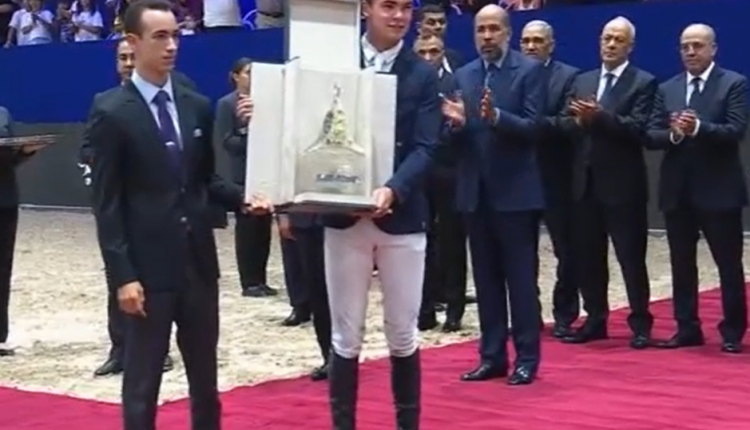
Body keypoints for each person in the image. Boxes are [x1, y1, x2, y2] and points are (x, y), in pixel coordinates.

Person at [241, 0, 439, 426]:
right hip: (342, 217)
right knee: (345, 335)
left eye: (406, 8)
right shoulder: (333, 61)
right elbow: (298, 118)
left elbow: (427, 147)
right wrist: (260, 113)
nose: (399, 16)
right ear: (367, 8)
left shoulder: (423, 74)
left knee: (403, 332)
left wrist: (394, 189)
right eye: (389, 6)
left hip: (402, 219)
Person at [88, 1, 247, 428]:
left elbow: (205, 180)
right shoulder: (111, 111)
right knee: (142, 384)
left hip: (198, 266)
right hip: (146, 272)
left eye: (176, 35)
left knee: (205, 381)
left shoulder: (196, 104)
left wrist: (247, 198)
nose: (172, 45)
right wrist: (123, 275)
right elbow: (107, 203)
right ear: (133, 42)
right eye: (160, 37)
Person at [441, 5, 544, 385]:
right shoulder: (464, 75)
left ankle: (527, 358)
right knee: (485, 281)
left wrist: (497, 117)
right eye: (480, 30)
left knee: (520, 281)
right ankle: (492, 356)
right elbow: (453, 138)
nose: (486, 36)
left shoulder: (529, 71)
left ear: (507, 32)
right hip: (475, 193)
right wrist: (456, 125)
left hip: (516, 194)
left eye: (493, 29)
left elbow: (535, 127)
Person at [647, 24, 747, 354]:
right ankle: (686, 327)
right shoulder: (668, 88)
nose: (691, 52)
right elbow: (652, 134)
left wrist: (698, 128)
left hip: (719, 189)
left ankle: (732, 330)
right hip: (678, 190)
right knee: (681, 263)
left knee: (728, 264)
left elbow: (735, 130)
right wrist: (674, 134)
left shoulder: (733, 83)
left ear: (713, 48)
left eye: (698, 46)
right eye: (685, 46)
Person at [80, 37, 175, 377]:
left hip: (154, 209)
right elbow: (87, 147)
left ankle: (159, 349)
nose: (127, 64)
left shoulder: (166, 100)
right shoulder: (104, 103)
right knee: (116, 278)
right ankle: (120, 348)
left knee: (157, 283)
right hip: (116, 206)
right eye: (122, 58)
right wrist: (99, 158)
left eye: (132, 57)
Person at [558, 17, 655, 350]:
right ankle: (595, 319)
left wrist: (599, 117)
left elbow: (639, 130)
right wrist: (578, 121)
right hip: (585, 183)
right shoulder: (582, 80)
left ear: (630, 46)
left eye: (618, 40)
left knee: (631, 257)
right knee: (589, 257)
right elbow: (566, 124)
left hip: (623, 186)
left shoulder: (643, 82)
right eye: (607, 38)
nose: (611, 44)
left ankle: (640, 323)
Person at [519, 20, 581, 339]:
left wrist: (530, 124)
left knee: (567, 250)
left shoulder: (568, 77)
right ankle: (527, 314)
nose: (531, 46)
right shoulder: (510, 75)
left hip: (557, 177)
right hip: (517, 178)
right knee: (521, 253)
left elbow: (571, 123)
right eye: (526, 40)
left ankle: (565, 314)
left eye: (537, 41)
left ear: (551, 45)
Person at [412, 33, 468, 333]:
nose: (428, 57)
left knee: (452, 242)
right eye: (422, 52)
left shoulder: (456, 82)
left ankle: (454, 309)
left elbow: (466, 126)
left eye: (433, 51)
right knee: (420, 242)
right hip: (418, 172)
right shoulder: (407, 83)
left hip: (450, 170)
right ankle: (424, 308)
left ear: (443, 53)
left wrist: (456, 124)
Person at [215, 57, 277, 298]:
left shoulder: (264, 102)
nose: (252, 77)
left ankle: (260, 278)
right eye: (248, 72)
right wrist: (248, 131)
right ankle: (249, 281)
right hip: (241, 173)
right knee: (247, 229)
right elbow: (226, 141)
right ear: (236, 76)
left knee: (263, 229)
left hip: (264, 170)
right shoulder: (227, 104)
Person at [0, 108, 41, 357]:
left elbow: (9, 161)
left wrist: (24, 152)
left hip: (4, 200)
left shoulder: (3, 114)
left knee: (3, 269)